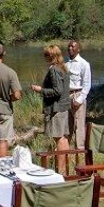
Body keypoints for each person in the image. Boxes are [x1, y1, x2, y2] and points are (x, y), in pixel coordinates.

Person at [30, 44, 72, 174]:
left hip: (57, 109)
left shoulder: (54, 69)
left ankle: (61, 171)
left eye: (46, 54)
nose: (44, 57)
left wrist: (40, 90)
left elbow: (57, 90)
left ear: (51, 56)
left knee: (59, 138)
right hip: (63, 107)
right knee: (63, 138)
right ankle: (63, 169)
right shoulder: (63, 67)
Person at [66, 39, 92, 150]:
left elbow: (87, 84)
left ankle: (80, 151)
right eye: (69, 46)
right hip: (66, 96)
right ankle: (64, 151)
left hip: (77, 95)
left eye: (73, 46)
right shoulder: (66, 64)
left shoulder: (84, 64)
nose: (70, 48)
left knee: (79, 126)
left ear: (78, 49)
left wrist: (79, 100)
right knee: (66, 126)